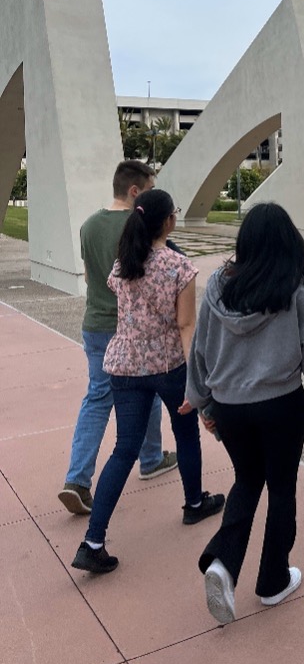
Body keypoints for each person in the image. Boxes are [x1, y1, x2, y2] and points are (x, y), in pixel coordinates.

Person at [185, 202, 304, 625]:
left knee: (247, 481)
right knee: (281, 487)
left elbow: (201, 347)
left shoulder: (218, 287)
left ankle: (223, 563)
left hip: (231, 409)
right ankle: (272, 580)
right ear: (289, 241)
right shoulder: (293, 290)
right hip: (280, 406)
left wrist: (200, 399)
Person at [71, 189, 224, 574]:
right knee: (186, 432)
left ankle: (93, 541)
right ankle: (192, 504)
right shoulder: (179, 267)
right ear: (168, 221)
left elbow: (116, 294)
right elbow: (186, 325)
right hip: (168, 365)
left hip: (123, 365)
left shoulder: (124, 264)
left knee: (125, 449)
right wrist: (196, 381)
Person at [59, 161, 177, 516]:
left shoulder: (88, 226)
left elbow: (91, 273)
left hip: (94, 323)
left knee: (97, 398)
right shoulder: (137, 226)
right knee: (149, 387)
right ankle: (151, 458)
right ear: (135, 191)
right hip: (128, 327)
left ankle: (77, 479)